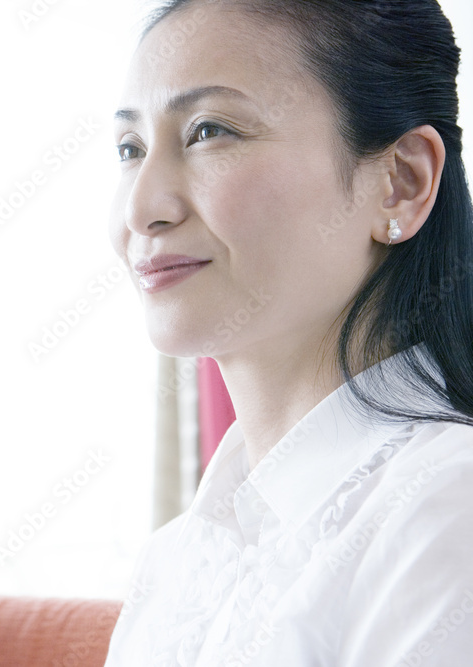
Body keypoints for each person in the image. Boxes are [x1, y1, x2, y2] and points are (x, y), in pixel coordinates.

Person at [103, 0, 473, 665]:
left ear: (401, 182)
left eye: (210, 130)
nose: (142, 208)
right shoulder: (173, 561)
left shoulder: (448, 507)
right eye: (130, 148)